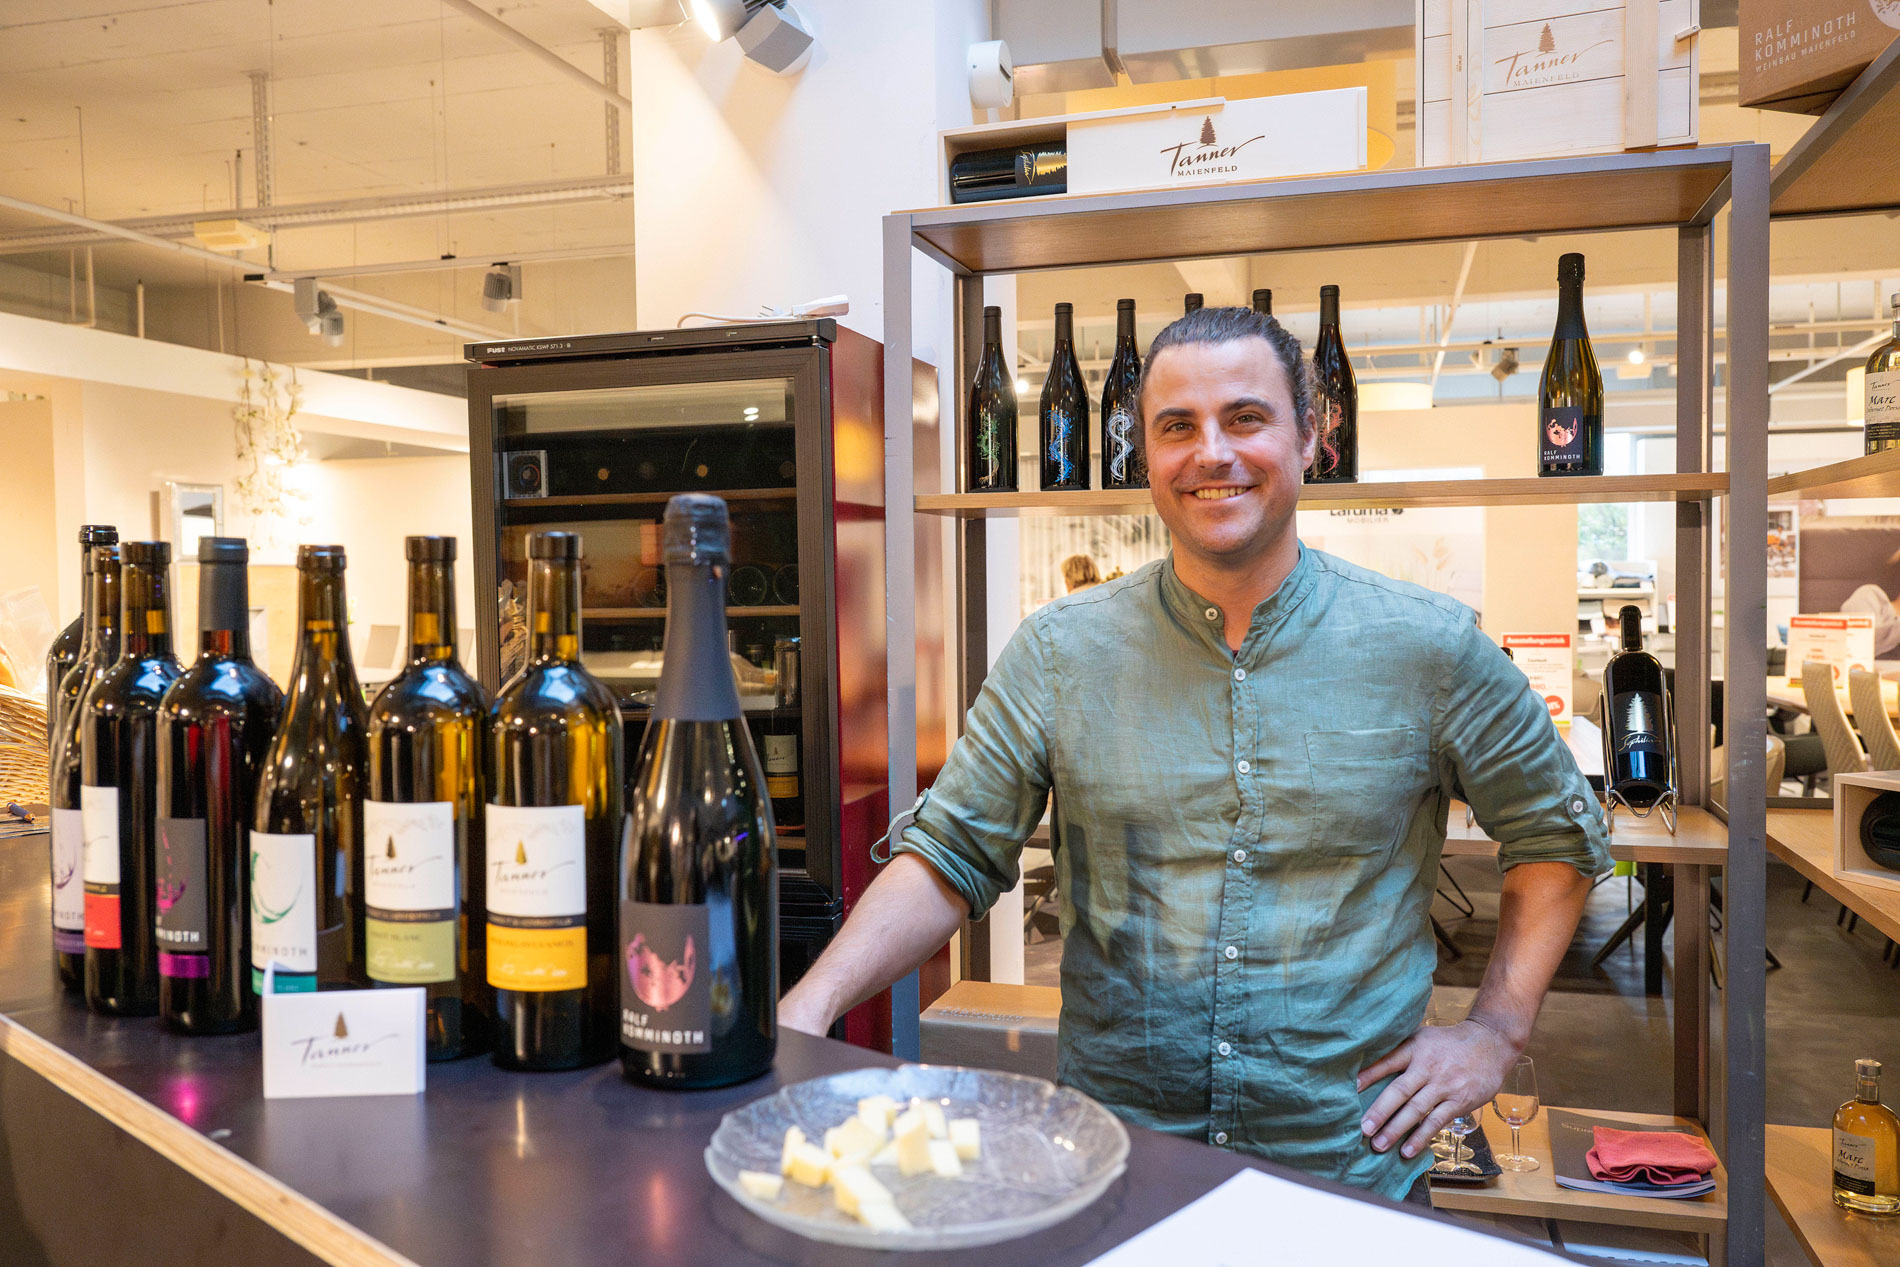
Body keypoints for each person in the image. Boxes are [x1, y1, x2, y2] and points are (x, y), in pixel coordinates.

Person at [780, 306, 1609, 1206]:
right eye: (1177, 426)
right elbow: (951, 851)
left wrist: (1495, 1031)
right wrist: (807, 1008)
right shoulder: (1059, 652)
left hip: (1347, 1162)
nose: (1212, 453)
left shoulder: (1429, 646)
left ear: (1311, 436)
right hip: (1116, 1161)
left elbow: (1556, 834)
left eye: (1246, 418)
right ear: (1145, 454)